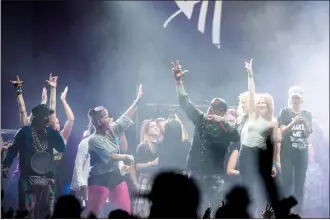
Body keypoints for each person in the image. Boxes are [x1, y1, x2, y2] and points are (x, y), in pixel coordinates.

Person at [171, 60, 240, 214]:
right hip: (195, 172)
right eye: (210, 107)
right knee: (193, 208)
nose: (209, 110)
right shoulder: (200, 118)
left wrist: (222, 121)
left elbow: (236, 137)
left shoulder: (227, 127)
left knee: (216, 209)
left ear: (221, 112)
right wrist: (178, 81)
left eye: (214, 108)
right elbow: (184, 102)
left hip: (214, 176)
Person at [85, 84, 143, 217]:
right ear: (98, 122)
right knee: (93, 214)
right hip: (99, 178)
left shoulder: (110, 130)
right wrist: (126, 157)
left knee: (125, 211)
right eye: (105, 117)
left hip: (114, 175)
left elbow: (124, 118)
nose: (108, 118)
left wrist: (137, 101)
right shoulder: (94, 139)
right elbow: (110, 156)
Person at [2, 104, 66, 218]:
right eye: (45, 116)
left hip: (47, 176)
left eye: (48, 116)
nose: (48, 118)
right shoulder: (24, 132)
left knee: (47, 210)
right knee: (26, 210)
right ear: (37, 116)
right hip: (27, 176)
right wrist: (6, 165)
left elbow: (62, 148)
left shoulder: (50, 132)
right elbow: (13, 149)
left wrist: (55, 131)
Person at [238, 59, 278, 217]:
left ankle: (262, 214)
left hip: (261, 154)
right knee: (246, 186)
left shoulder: (273, 121)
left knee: (261, 187)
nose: (259, 102)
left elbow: (273, 144)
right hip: (246, 152)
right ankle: (244, 213)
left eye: (263, 101)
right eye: (258, 101)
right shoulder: (252, 114)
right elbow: (252, 91)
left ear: (268, 104)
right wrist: (250, 74)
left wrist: (274, 163)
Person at [278, 86, 312, 214]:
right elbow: (281, 131)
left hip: (302, 154)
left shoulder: (307, 113)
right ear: (289, 99)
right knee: (287, 183)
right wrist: (293, 122)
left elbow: (308, 134)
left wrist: (306, 124)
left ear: (302, 100)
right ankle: (285, 212)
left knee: (300, 184)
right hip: (287, 153)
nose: (295, 101)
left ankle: (297, 213)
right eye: (293, 98)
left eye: (298, 98)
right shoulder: (284, 112)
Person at [133, 119, 162, 218]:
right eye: (152, 126)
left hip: (159, 181)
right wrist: (151, 163)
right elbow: (137, 166)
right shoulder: (143, 146)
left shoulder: (162, 145)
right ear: (147, 131)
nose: (156, 127)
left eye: (157, 126)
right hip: (146, 181)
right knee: (143, 211)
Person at [70, 122, 94, 205]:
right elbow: (78, 164)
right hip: (85, 186)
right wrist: (82, 183)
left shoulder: (110, 142)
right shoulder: (86, 143)